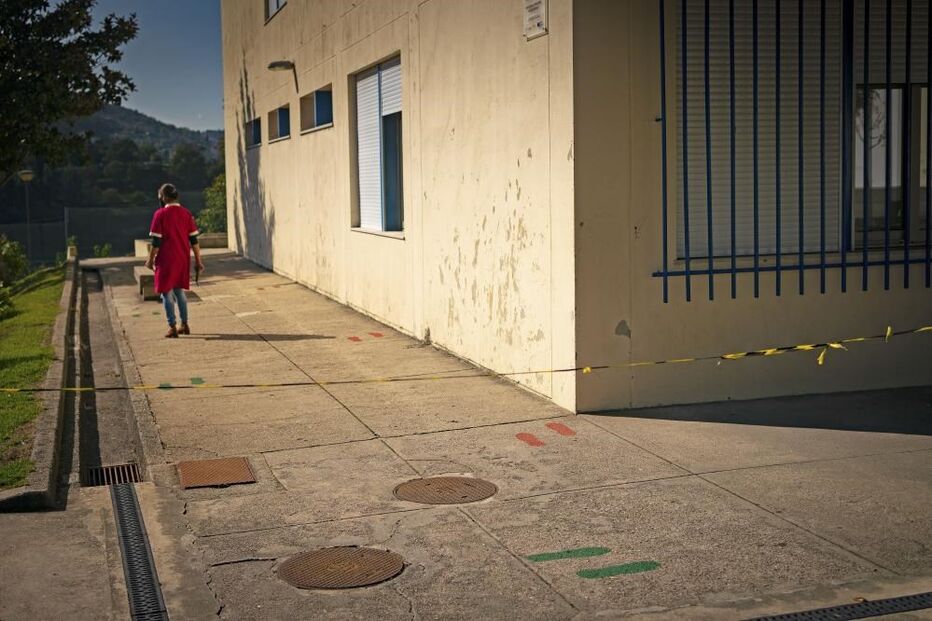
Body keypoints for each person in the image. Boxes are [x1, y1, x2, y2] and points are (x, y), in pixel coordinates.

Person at [145, 183, 205, 338]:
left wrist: (150, 260)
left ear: (163, 197)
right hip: (182, 259)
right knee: (179, 292)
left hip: (166, 260)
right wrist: (198, 261)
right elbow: (194, 241)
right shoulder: (186, 213)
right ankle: (184, 324)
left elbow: (156, 243)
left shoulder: (159, 215)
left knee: (166, 294)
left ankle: (172, 326)